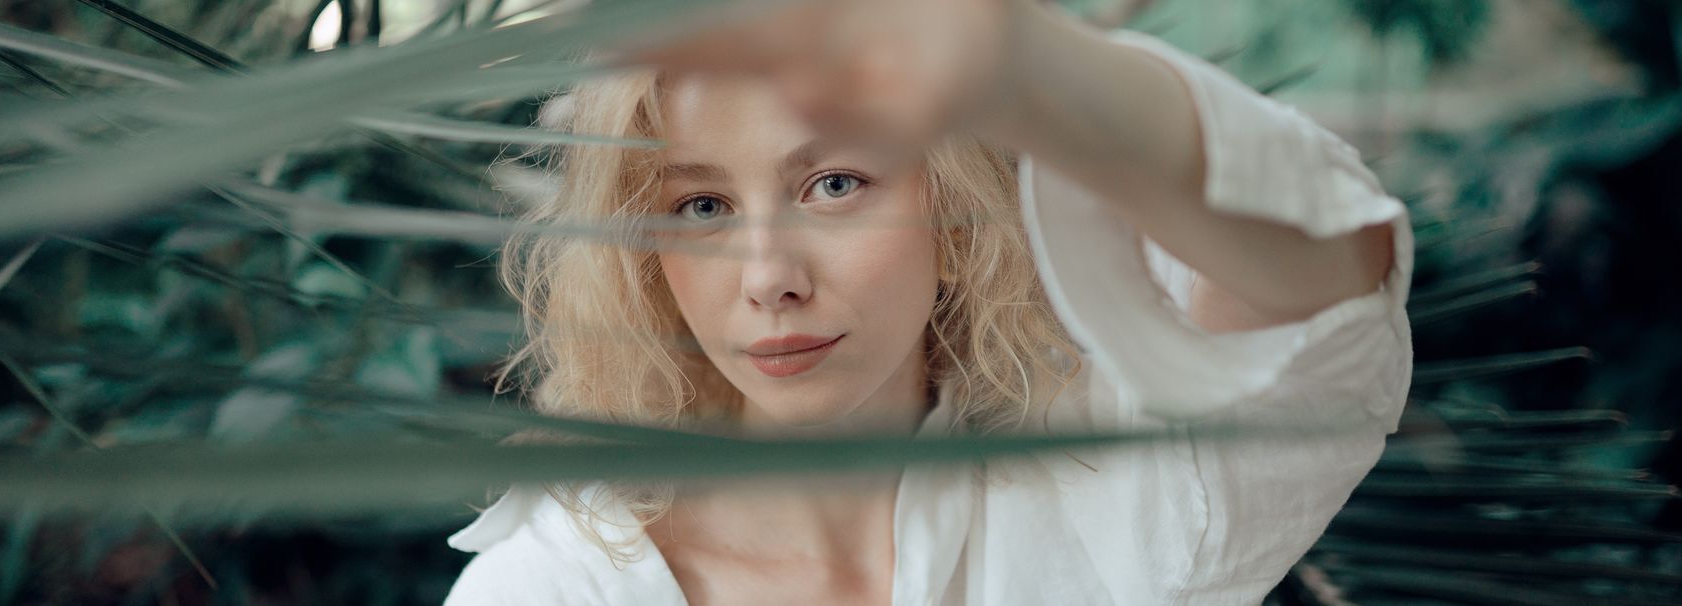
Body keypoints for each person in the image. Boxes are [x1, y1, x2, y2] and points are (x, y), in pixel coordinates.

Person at [446, 0, 1413, 603]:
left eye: (833, 184)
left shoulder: (1095, 504)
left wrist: (1027, 64)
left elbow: (1329, 294)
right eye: (702, 207)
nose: (768, 277)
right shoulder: (552, 588)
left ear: (955, 211)